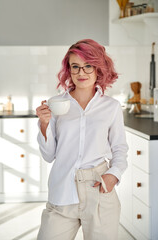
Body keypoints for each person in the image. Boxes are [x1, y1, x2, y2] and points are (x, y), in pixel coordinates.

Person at [36, 39, 128, 240]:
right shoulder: (55, 104)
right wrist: (44, 124)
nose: (81, 73)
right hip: (62, 190)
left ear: (99, 69)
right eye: (75, 67)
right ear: (69, 70)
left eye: (88, 66)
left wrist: (113, 175)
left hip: (99, 188)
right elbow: (49, 155)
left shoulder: (111, 107)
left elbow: (120, 148)